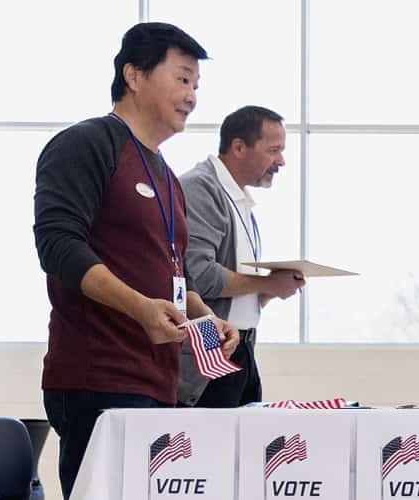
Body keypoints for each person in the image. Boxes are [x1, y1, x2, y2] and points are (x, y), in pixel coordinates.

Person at [32, 22, 237, 498]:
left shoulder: (166, 175)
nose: (191, 96)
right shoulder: (87, 144)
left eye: (196, 86)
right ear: (134, 75)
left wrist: (208, 320)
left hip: (158, 385)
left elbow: (174, 275)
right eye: (182, 79)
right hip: (98, 380)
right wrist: (140, 308)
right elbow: (58, 246)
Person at [177, 105, 306, 408]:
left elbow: (238, 296)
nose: (281, 161)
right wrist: (266, 284)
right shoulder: (200, 187)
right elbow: (200, 275)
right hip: (211, 353)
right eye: (273, 150)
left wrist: (273, 289)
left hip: (242, 348)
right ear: (238, 147)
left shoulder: (239, 199)